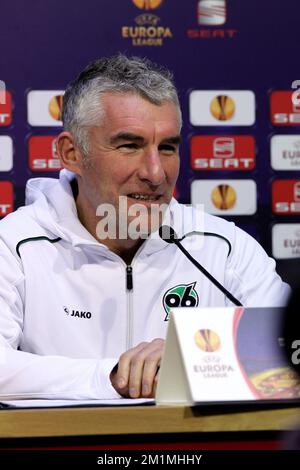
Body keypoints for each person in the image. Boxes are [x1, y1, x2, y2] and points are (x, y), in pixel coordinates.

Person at [0, 54, 290, 401]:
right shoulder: (13, 246)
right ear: (71, 153)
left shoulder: (223, 247)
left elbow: (290, 348)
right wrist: (113, 375)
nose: (155, 173)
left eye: (167, 147)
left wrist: (192, 361)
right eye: (129, 146)